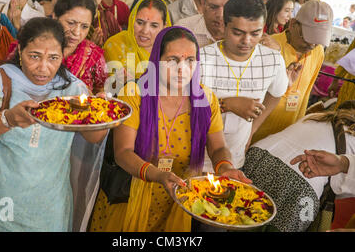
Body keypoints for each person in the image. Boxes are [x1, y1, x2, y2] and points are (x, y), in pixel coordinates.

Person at [90, 26, 251, 232]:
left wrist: (226, 168)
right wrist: (159, 176)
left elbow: (218, 147)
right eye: (172, 60)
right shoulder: (134, 93)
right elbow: (123, 153)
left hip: (179, 196)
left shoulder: (205, 99)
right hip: (133, 193)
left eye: (190, 60)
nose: (182, 69)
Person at [0, 17, 107, 231]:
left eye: (53, 58)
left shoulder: (73, 90)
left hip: (47, 210)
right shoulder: (1, 80)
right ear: (20, 51)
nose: (43, 68)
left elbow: (95, 137)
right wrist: (6, 119)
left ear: (63, 56)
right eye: (34, 56)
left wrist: (101, 112)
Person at [199, 0, 289, 170]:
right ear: (224, 26)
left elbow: (276, 94)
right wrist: (227, 105)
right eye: (238, 33)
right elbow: (182, 108)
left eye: (255, 33)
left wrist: (252, 130)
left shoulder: (272, 60)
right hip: (194, 157)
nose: (246, 41)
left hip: (235, 159)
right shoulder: (201, 59)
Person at [241, 100, 355, 232]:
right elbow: (342, 187)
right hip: (300, 185)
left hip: (259, 157)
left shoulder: (317, 117)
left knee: (234, 214)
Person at [252, 0, 334, 144]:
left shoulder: (318, 52)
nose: (312, 45)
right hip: (255, 134)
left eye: (317, 40)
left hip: (287, 136)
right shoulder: (268, 46)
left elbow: (306, 93)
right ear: (293, 24)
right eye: (307, 37)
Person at [103, 0, 171, 92]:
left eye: (154, 25)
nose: (145, 31)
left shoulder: (169, 50)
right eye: (140, 22)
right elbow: (102, 91)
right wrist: (117, 84)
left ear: (164, 27)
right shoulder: (114, 45)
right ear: (132, 19)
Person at [54, 0, 107, 94]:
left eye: (84, 26)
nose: (77, 32)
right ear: (55, 17)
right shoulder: (38, 46)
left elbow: (100, 90)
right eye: (71, 23)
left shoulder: (93, 55)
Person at [175, 0, 239, 48]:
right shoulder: (182, 30)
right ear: (203, 3)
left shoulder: (245, 34)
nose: (220, 15)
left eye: (227, 8)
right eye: (213, 7)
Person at [328, 32, 355, 108]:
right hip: (352, 85)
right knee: (343, 115)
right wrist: (336, 79)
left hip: (353, 84)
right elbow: (351, 52)